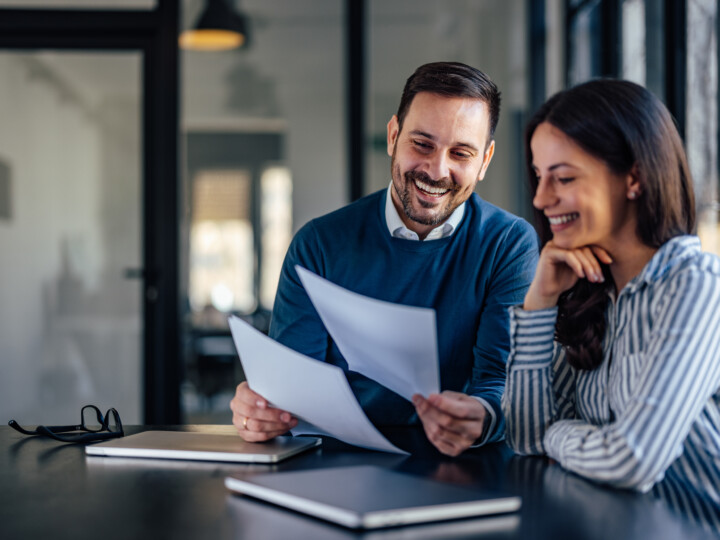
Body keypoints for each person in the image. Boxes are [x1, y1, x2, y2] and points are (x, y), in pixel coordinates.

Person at [231, 61, 539, 456]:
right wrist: (260, 412)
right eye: (422, 144)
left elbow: (500, 381)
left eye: (461, 153)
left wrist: (480, 416)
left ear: (485, 161)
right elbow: (292, 387)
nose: (437, 170)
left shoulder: (508, 244)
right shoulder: (319, 244)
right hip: (339, 463)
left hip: (465, 464)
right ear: (393, 135)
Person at [502, 79, 720, 495]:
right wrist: (541, 300)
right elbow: (525, 437)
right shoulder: (593, 294)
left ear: (633, 178)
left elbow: (631, 459)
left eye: (563, 178)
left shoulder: (697, 287)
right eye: (538, 176)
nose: (541, 199)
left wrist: (557, 435)